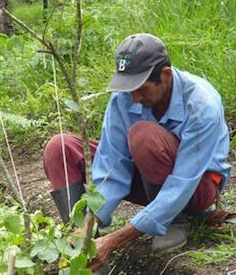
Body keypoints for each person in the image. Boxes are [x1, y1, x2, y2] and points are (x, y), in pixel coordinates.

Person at [43, 33, 231, 270]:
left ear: (165, 75)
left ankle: (174, 220)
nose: (134, 97)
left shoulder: (202, 105)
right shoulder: (124, 98)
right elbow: (112, 166)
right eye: (129, 88)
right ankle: (82, 240)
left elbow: (183, 182)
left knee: (143, 136)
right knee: (59, 147)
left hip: (196, 190)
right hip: (146, 179)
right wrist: (91, 222)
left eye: (141, 89)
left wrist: (115, 241)